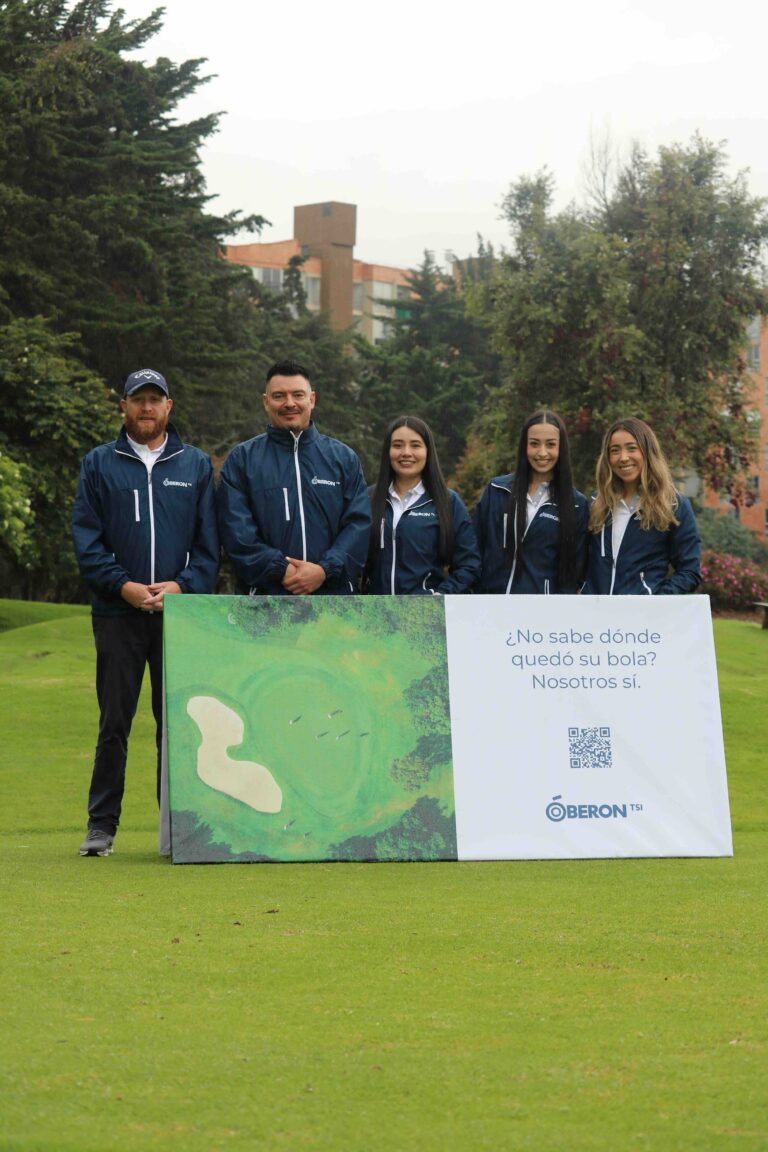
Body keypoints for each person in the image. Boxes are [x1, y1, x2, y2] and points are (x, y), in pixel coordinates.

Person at [72, 368, 219, 857]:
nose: (147, 408)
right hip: (118, 613)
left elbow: (209, 547)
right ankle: (101, 826)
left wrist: (182, 586)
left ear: (169, 406)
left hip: (178, 615)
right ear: (124, 406)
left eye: (156, 399)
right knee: (114, 723)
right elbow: (87, 541)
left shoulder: (194, 465)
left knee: (174, 725)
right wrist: (124, 586)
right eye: (139, 400)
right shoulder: (99, 463)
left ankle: (175, 829)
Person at [217, 359, 371, 595]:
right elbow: (236, 531)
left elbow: (358, 525)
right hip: (264, 601)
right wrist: (281, 569)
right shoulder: (242, 460)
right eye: (279, 396)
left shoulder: (343, 458)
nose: (289, 403)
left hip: (333, 600)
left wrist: (324, 570)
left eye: (298, 395)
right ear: (266, 402)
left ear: (312, 399)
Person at [474, 409, 588, 594]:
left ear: (561, 448)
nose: (542, 453)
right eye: (534, 444)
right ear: (524, 446)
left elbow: (574, 572)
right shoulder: (496, 490)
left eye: (550, 444)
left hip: (543, 610)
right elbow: (474, 549)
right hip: (491, 605)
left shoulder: (576, 505)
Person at [583, 417, 701, 595]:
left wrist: (656, 601)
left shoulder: (674, 505)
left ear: (648, 452)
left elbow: (689, 571)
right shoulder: (596, 503)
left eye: (632, 448)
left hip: (643, 612)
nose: (623, 458)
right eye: (615, 450)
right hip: (595, 610)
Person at [364, 415, 480, 594]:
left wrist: (439, 597)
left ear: (428, 451)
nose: (406, 452)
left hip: (425, 610)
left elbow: (469, 564)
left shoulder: (448, 502)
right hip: (375, 609)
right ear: (388, 451)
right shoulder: (367, 499)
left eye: (415, 445)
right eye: (397, 445)